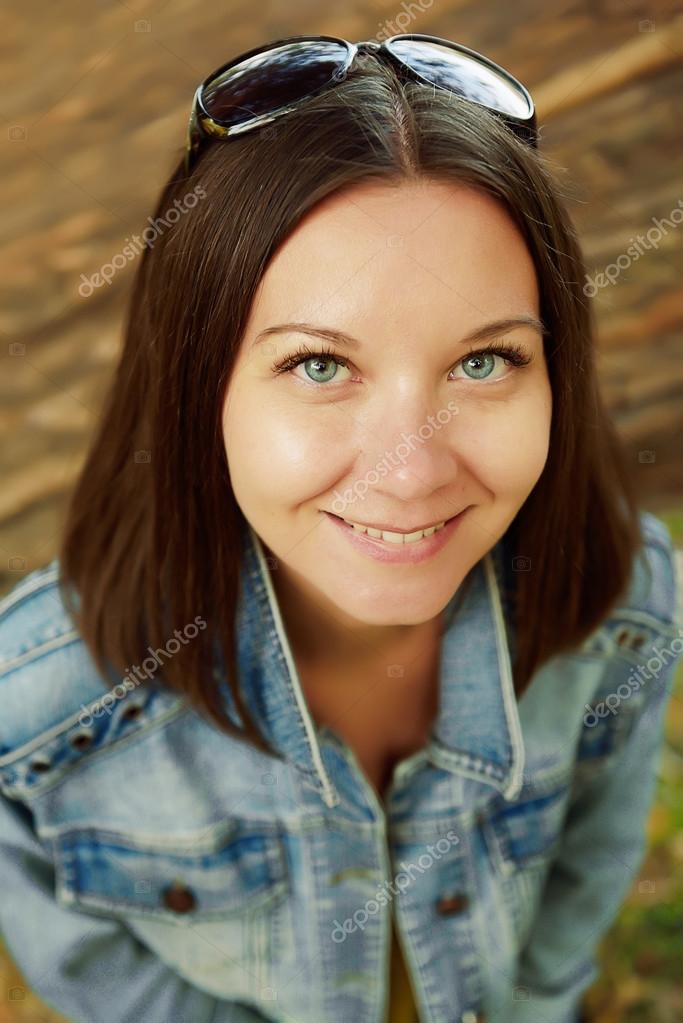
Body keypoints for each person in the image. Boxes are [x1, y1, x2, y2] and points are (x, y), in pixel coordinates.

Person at [0, 32, 681, 1023]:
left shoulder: (623, 606)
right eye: (319, 365)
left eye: (483, 362)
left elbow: (589, 862)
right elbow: (97, 972)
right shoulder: (37, 713)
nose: (410, 473)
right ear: (199, 388)